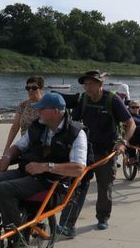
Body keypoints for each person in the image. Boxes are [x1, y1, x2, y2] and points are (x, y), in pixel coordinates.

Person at [0, 92, 87, 248]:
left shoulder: (76, 133)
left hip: (50, 182)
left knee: (5, 188)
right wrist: (7, 157)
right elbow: (19, 145)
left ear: (55, 111)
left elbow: (79, 168)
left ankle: (21, 244)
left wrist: (46, 167)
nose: (38, 112)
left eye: (42, 109)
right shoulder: (39, 126)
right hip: (28, 173)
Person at [58, 70, 135, 236]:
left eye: (91, 84)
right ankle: (67, 224)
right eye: (85, 84)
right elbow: (73, 123)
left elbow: (131, 123)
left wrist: (122, 142)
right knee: (77, 187)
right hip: (85, 150)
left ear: (100, 84)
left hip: (106, 151)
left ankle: (103, 217)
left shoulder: (112, 99)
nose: (87, 87)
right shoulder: (83, 99)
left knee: (104, 187)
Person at [2, 76, 44, 154]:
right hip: (24, 147)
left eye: (34, 88)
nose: (30, 90)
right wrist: (6, 148)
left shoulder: (46, 105)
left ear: (41, 89)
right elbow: (15, 127)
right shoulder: (23, 105)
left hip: (41, 147)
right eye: (28, 88)